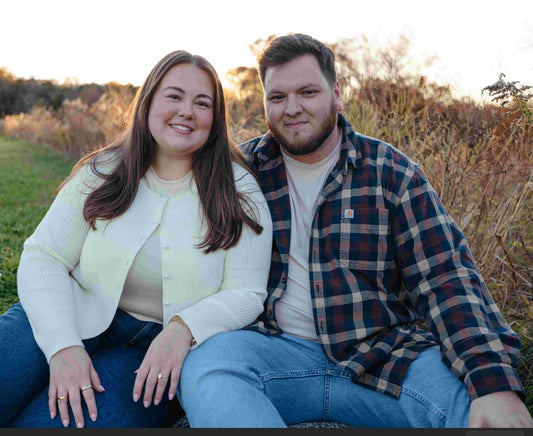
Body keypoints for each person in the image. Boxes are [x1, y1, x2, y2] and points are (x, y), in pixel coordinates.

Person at [176, 34, 533, 428]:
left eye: (308, 92)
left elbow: (446, 279)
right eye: (277, 97)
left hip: (384, 358)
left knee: (474, 407)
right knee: (208, 367)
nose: (292, 108)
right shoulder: (242, 172)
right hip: (273, 353)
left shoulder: (390, 172)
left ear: (337, 95)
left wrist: (492, 382)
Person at [0, 50, 272, 428]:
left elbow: (247, 292)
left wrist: (183, 328)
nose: (187, 111)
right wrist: (63, 347)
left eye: (202, 102)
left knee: (55, 422)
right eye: (174, 96)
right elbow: (45, 256)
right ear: (148, 102)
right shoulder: (105, 170)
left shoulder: (239, 190)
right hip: (67, 308)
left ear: (215, 117)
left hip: (152, 351)